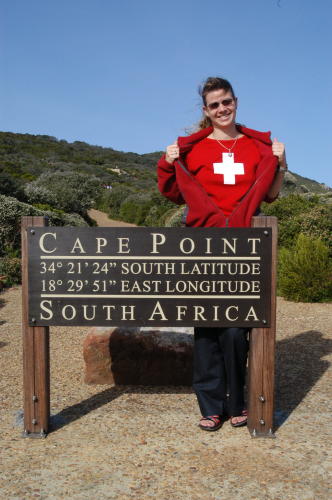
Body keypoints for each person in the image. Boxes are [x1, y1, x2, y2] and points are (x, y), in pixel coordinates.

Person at [157, 77, 287, 431]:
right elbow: (173, 194)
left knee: (234, 328)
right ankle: (211, 406)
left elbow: (271, 194)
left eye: (226, 102)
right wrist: (169, 162)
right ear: (206, 110)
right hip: (203, 245)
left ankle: (238, 401)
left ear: (236, 102)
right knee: (207, 328)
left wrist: (281, 162)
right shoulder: (193, 149)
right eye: (214, 105)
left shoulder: (256, 146)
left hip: (244, 246)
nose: (222, 109)